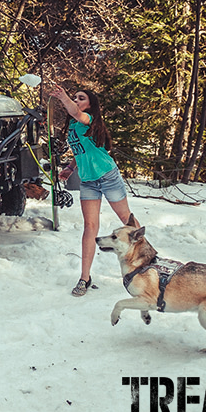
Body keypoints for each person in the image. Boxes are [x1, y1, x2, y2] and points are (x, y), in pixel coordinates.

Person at [49, 85, 139, 297]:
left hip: (107, 175)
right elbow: (82, 151)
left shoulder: (88, 119)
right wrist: (71, 168)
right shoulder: (73, 126)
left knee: (127, 219)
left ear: (90, 105)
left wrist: (62, 96)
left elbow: (75, 112)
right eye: (75, 97)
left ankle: (150, 259)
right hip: (88, 180)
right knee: (90, 227)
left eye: (81, 98)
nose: (77, 100)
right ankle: (85, 278)